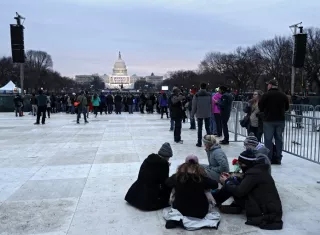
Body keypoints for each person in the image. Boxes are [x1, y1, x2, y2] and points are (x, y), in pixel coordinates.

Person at [214, 149, 283, 230]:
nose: (239, 166)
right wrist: (231, 178)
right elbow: (246, 183)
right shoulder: (258, 170)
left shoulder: (253, 174)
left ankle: (214, 200)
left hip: (263, 211)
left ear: (246, 164)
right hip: (268, 207)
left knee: (230, 184)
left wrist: (227, 181)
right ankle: (216, 200)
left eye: (240, 164)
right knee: (232, 181)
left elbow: (239, 192)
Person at [165, 155, 218, 226]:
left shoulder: (178, 176)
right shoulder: (201, 178)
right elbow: (215, 185)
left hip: (180, 210)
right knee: (207, 190)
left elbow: (167, 182)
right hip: (200, 212)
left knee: (174, 187)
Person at [125, 142, 173, 211]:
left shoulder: (149, 159)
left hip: (134, 195)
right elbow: (164, 182)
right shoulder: (164, 164)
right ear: (167, 157)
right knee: (169, 183)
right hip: (147, 200)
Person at [259, 79, 289, 165]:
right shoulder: (283, 95)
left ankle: (269, 157)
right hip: (280, 120)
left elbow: (260, 106)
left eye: (268, 85)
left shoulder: (266, 95)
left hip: (269, 120)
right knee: (279, 139)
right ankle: (278, 157)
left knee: (268, 140)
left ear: (271, 85)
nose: (267, 86)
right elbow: (286, 107)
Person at [191, 83, 212, 147]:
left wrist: (192, 114)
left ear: (200, 87)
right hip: (207, 113)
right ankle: (210, 142)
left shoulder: (196, 95)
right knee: (208, 128)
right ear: (206, 87)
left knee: (199, 128)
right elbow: (211, 104)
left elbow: (194, 105)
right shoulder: (209, 95)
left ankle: (199, 142)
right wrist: (210, 111)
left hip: (199, 113)